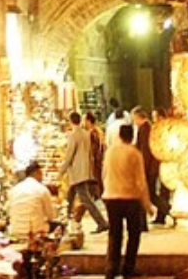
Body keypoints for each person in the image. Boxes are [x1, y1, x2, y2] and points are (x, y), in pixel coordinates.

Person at [102, 124, 154, 279]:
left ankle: (111, 268)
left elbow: (104, 173)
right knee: (133, 234)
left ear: (119, 135)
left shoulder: (110, 152)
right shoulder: (134, 153)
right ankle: (128, 268)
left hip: (111, 197)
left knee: (114, 234)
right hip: (129, 197)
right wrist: (147, 204)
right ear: (132, 136)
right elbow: (140, 181)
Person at [61, 111, 110, 233]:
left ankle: (101, 222)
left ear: (71, 121)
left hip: (77, 172)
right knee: (69, 198)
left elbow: (69, 155)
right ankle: (64, 222)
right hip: (84, 170)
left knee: (85, 200)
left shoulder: (74, 136)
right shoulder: (85, 134)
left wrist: (61, 170)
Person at [8, 161, 56, 239]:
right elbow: (51, 216)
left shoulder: (14, 190)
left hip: (15, 231)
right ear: (37, 173)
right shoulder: (42, 189)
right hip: (35, 232)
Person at [84, 111, 104, 198]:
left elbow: (94, 148)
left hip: (95, 160)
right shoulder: (97, 131)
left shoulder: (93, 132)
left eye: (84, 120)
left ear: (88, 121)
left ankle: (97, 194)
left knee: (96, 178)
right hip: (97, 160)